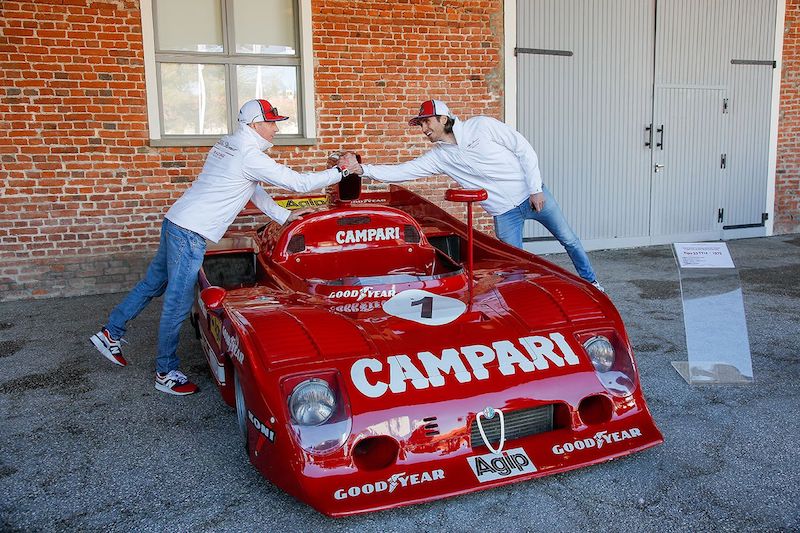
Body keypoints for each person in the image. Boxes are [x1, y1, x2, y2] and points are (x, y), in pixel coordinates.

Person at [90, 98, 360, 395]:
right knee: (177, 304)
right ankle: (165, 372)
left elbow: (251, 188)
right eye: (271, 123)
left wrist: (283, 216)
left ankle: (111, 332)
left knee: (152, 284)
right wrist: (341, 171)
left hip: (176, 221)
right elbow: (297, 183)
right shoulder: (248, 154)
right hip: (190, 233)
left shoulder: (228, 144)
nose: (276, 129)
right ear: (256, 125)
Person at [359, 99, 603, 291]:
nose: (423, 129)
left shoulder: (482, 126)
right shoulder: (439, 156)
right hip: (504, 213)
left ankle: (592, 283)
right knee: (515, 262)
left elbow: (523, 149)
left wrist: (535, 189)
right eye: (420, 125)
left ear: (443, 118)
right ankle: (521, 297)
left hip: (533, 196)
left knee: (569, 240)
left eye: (426, 122)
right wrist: (363, 170)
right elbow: (403, 171)